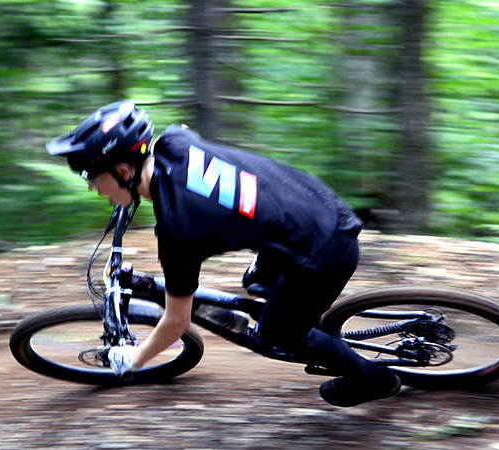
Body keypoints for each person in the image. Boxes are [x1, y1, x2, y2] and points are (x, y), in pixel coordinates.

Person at [46, 100, 401, 407]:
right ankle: (291, 303)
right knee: (256, 281)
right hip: (316, 206)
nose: (92, 186)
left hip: (325, 251)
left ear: (123, 171)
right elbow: (182, 131)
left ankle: (373, 379)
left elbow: (176, 323)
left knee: (277, 336)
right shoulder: (174, 141)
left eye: (91, 176)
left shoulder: (178, 229)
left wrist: (134, 359)